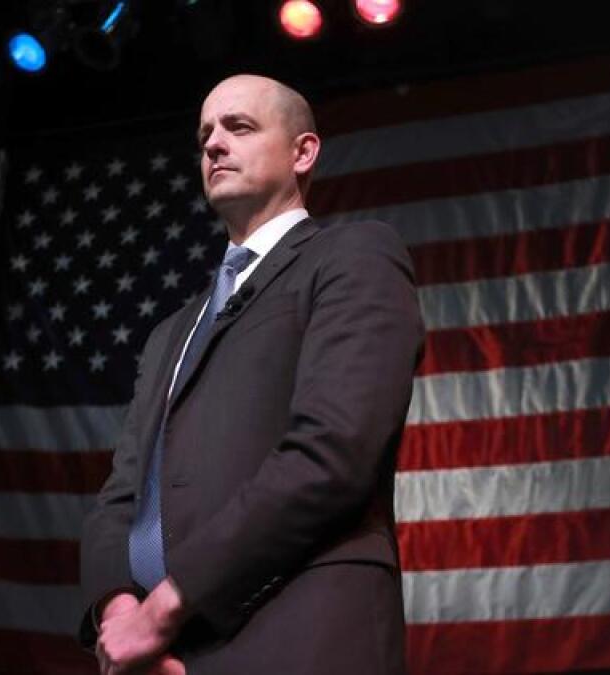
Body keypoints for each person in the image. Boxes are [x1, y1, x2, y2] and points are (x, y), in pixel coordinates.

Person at [77, 73, 424, 675]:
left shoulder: (353, 257)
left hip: (295, 638)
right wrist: (119, 617)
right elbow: (121, 495)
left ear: (303, 152)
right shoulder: (171, 332)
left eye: (239, 127)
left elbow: (331, 454)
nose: (213, 144)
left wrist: (164, 609)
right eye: (206, 132)